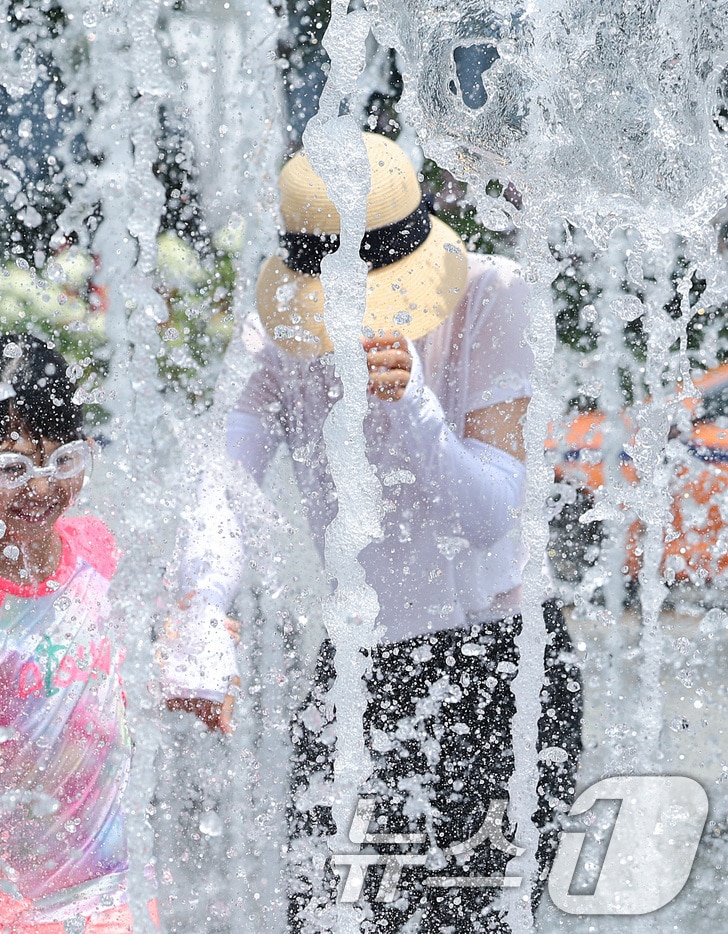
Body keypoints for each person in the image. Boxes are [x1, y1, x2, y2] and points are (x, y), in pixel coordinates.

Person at [160, 133, 581, 932]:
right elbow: (224, 479)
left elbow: (490, 514)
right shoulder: (276, 327)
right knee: (325, 913)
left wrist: (412, 406)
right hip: (362, 662)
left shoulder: (494, 295)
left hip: (498, 661)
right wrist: (199, 608)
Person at [0, 334, 156, 934]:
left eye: (61, 461)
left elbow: (125, 690)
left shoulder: (96, 550)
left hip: (121, 886)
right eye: (11, 468)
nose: (41, 488)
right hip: (24, 908)